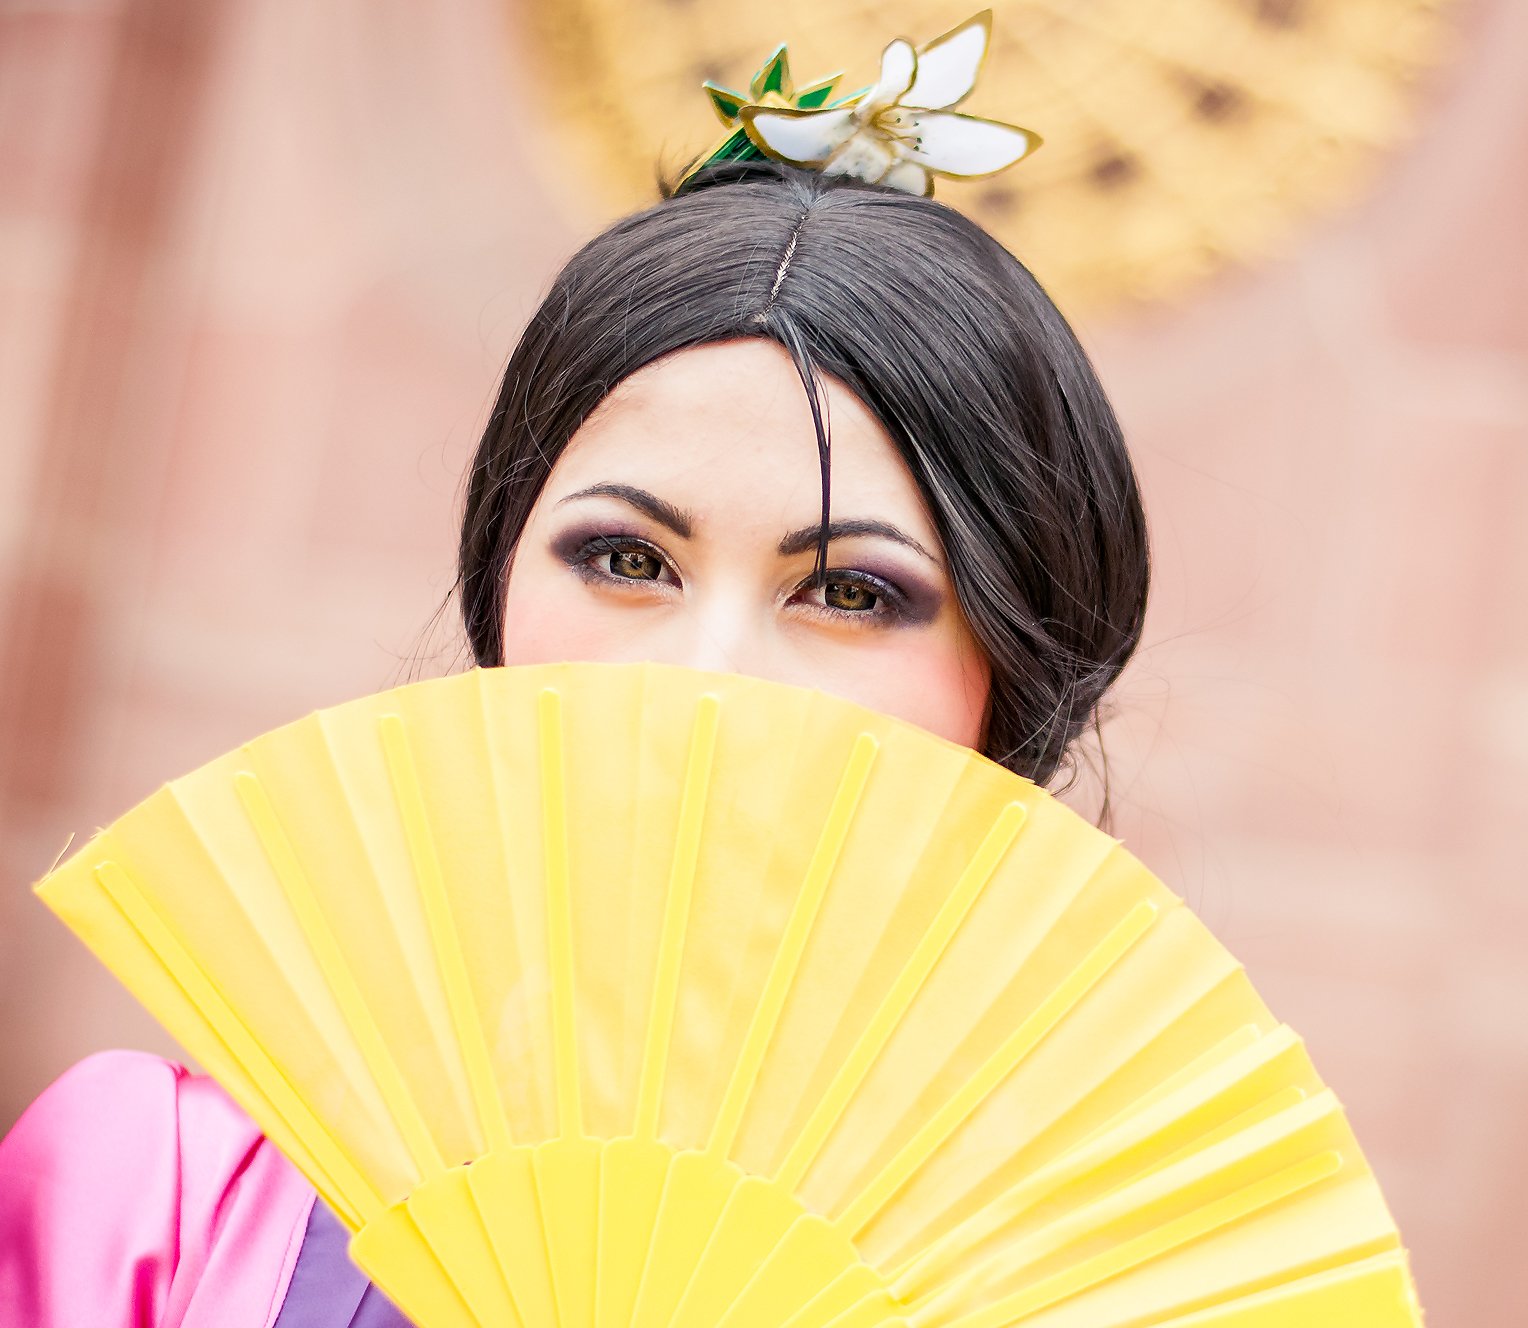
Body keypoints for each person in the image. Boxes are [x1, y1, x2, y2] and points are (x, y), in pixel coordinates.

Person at [0, 74, 1151, 1328]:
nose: (704, 677)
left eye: (852, 591)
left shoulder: (1148, 1291)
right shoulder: (158, 1198)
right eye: (626, 560)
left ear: (1016, 682)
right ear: (497, 587)